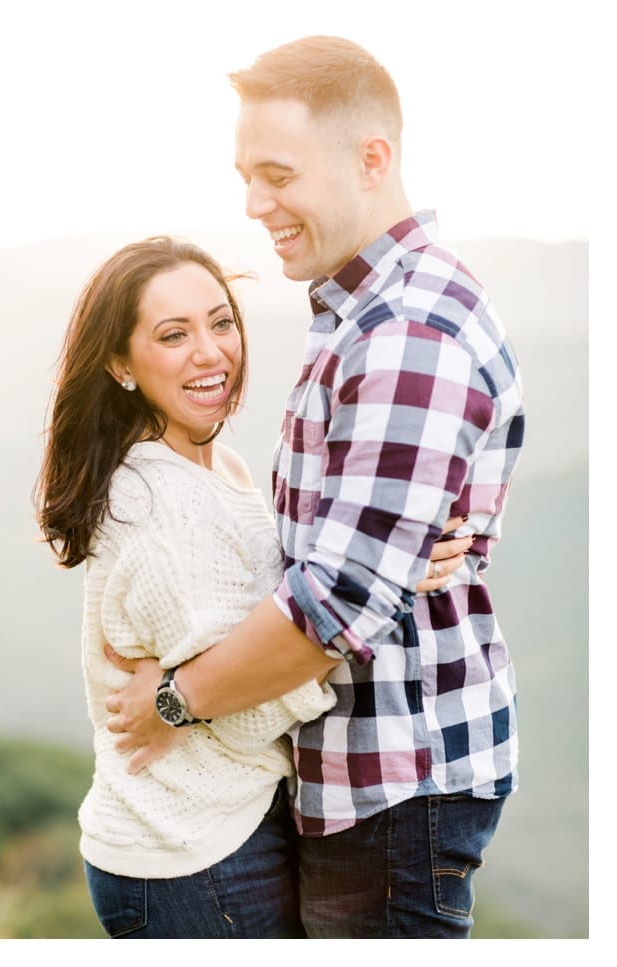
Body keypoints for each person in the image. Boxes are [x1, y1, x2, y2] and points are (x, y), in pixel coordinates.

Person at [103, 36, 525, 939]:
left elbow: (332, 603)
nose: (256, 204)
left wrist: (173, 699)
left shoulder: (407, 331)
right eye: (247, 175)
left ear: (372, 158)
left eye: (278, 174)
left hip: (392, 789)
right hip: (363, 781)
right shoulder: (366, 312)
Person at [35, 236, 469, 938]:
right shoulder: (158, 503)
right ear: (119, 363)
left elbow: (257, 629)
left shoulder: (219, 466)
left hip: (214, 826)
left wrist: (370, 563)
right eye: (173, 335)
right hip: (189, 853)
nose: (210, 352)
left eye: (221, 321)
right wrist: (382, 579)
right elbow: (245, 701)